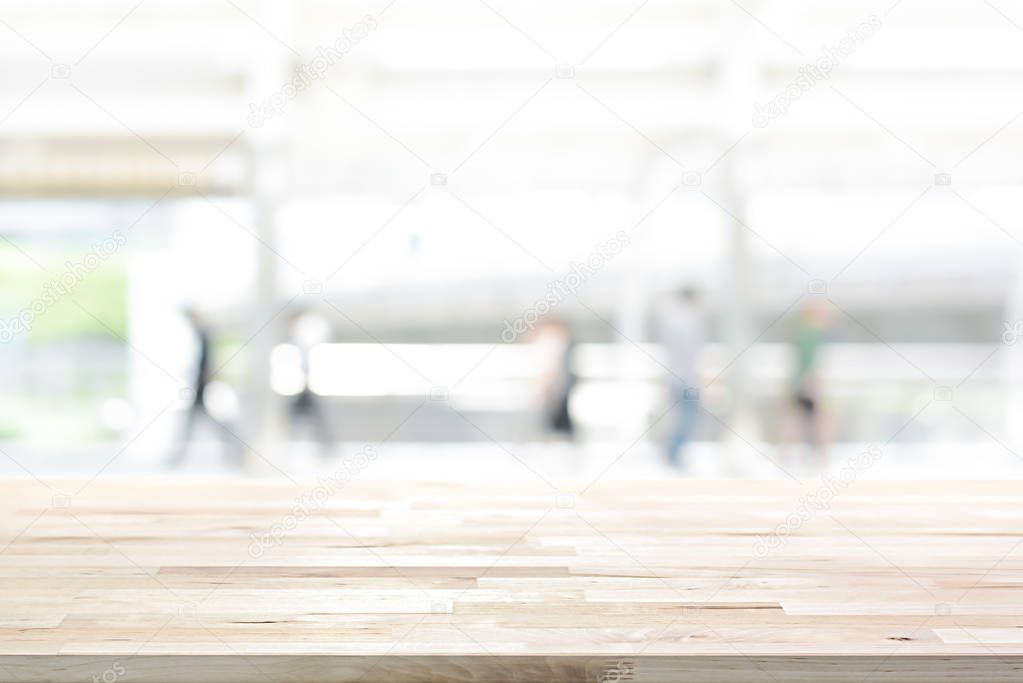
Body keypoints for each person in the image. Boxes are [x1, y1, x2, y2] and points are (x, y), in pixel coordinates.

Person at [169, 308, 238, 467]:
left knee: (207, 420)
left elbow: (207, 360)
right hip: (199, 384)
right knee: (197, 420)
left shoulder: (204, 334)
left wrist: (206, 379)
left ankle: (232, 450)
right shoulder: (199, 334)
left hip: (202, 384)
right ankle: (179, 453)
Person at [658, 286, 704, 467]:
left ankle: (672, 456)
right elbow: (690, 355)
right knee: (687, 419)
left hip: (676, 378)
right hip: (685, 380)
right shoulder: (688, 322)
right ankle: (672, 456)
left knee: (680, 419)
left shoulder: (673, 320)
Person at [786, 300, 831, 466]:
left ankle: (789, 455)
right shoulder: (810, 335)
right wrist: (812, 384)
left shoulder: (803, 333)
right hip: (807, 386)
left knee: (798, 420)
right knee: (817, 420)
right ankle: (819, 457)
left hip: (801, 385)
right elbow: (808, 363)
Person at [286, 310, 333, 456]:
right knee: (310, 414)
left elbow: (308, 357)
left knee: (308, 413)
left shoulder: (305, 332)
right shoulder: (309, 330)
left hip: (310, 383)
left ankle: (324, 444)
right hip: (308, 383)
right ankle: (325, 444)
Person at [534, 319, 578, 439]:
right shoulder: (560, 346)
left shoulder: (559, 346)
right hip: (558, 396)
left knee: (558, 427)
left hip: (559, 396)